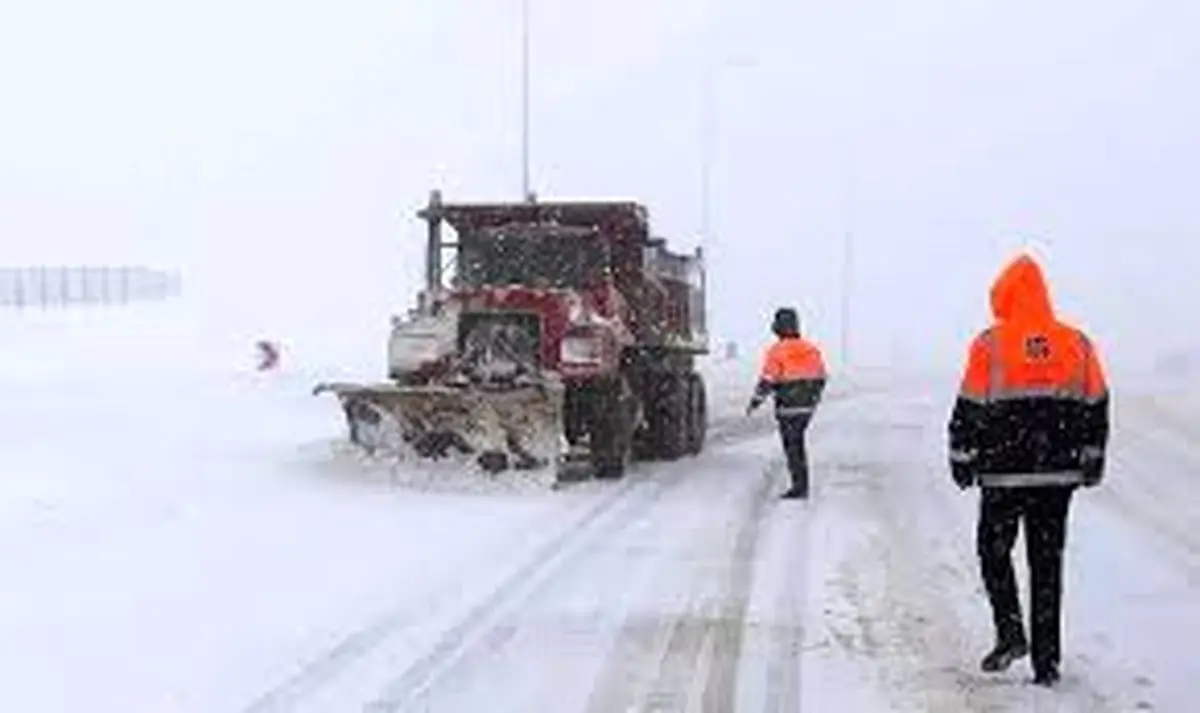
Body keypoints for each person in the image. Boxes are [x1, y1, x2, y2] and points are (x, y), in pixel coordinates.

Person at [947, 252, 1110, 687]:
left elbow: (969, 406)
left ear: (1004, 296)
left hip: (1003, 474)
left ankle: (1010, 632)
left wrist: (961, 457)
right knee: (1047, 565)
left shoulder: (990, 344)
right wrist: (1092, 458)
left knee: (993, 552)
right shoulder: (1077, 342)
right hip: (1057, 477)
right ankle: (1047, 664)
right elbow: (1097, 404)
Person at [747, 307, 828, 499]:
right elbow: (821, 376)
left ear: (777, 328)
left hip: (787, 407)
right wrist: (813, 397)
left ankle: (799, 487)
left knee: (792, 447)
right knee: (798, 443)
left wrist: (756, 401)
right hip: (806, 407)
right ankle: (801, 484)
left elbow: (768, 380)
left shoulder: (776, 351)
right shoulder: (810, 348)